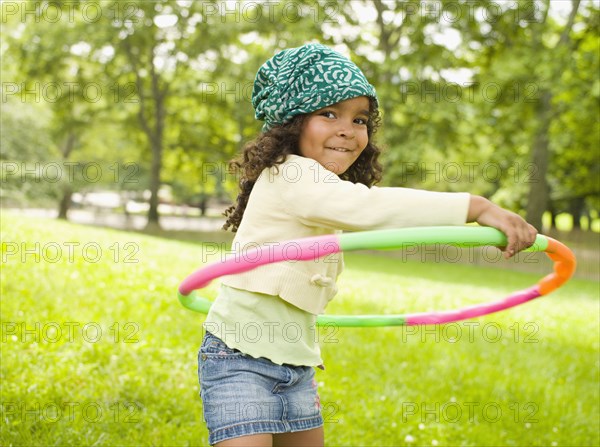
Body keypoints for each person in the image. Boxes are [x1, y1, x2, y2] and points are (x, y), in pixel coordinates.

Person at [197, 43, 537, 447]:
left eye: (360, 119)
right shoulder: (290, 176)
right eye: (328, 114)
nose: (347, 128)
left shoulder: (320, 185)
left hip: (298, 363)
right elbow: (370, 208)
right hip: (239, 359)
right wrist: (475, 206)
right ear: (291, 122)